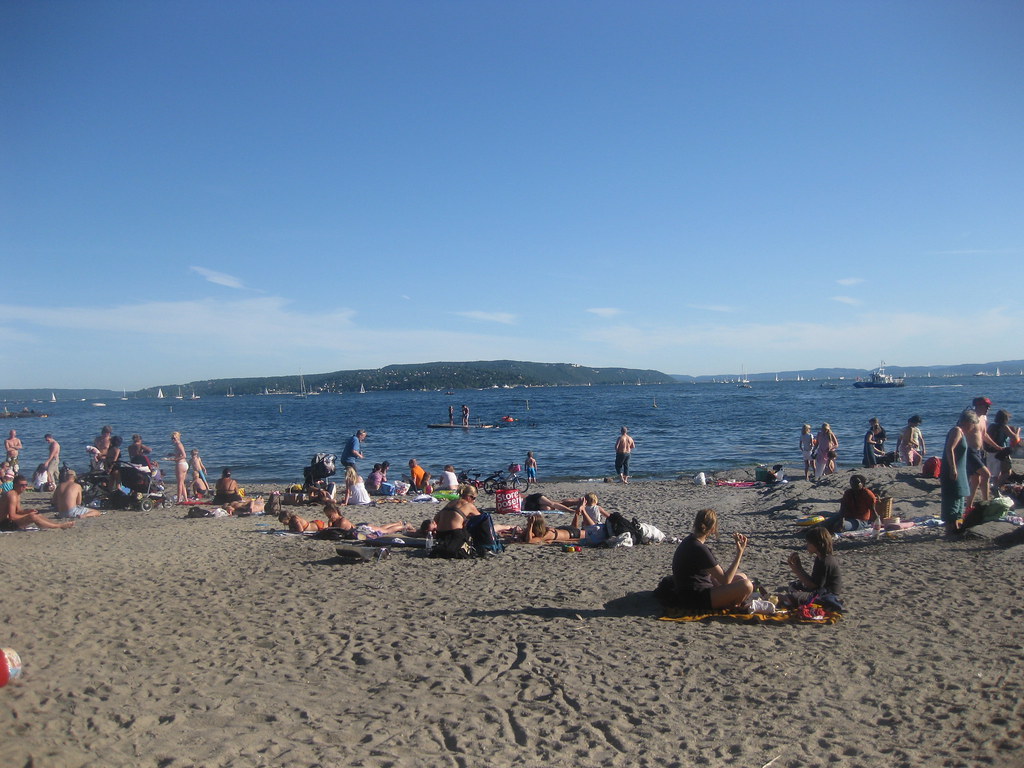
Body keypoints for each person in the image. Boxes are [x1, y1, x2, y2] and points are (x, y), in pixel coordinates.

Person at [670, 508, 753, 610]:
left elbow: (714, 576)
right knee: (747, 585)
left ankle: (731, 602)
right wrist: (739, 553)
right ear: (713, 528)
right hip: (697, 599)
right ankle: (733, 606)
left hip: (688, 593)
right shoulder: (700, 549)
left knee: (742, 577)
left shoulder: (689, 541)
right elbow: (725, 580)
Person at [784, 527, 842, 607]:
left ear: (817, 545)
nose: (807, 545)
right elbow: (813, 582)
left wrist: (797, 569)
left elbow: (813, 585)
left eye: (808, 543)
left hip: (828, 595)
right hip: (820, 590)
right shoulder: (820, 558)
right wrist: (798, 568)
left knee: (792, 596)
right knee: (794, 585)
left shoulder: (825, 561)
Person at [941, 409, 977, 535]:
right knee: (953, 496)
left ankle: (956, 524)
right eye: (973, 424)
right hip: (953, 469)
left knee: (960, 495)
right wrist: (953, 468)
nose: (973, 428)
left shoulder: (961, 432)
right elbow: (949, 448)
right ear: (968, 422)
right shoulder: (957, 431)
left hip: (960, 469)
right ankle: (950, 527)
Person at [0, 475, 74, 530]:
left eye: (25, 485)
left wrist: (28, 511)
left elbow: (18, 511)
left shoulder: (17, 494)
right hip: (4, 524)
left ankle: (56, 524)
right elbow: (12, 516)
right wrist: (29, 515)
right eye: (22, 485)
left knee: (36, 514)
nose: (24, 487)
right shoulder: (12, 495)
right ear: (15, 485)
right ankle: (59, 526)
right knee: (33, 516)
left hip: (8, 521)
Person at [966, 396, 1002, 508]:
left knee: (976, 480)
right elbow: (959, 432)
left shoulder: (984, 418)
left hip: (980, 451)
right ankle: (986, 502)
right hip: (969, 451)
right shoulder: (970, 417)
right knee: (987, 474)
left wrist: (997, 447)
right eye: (986, 406)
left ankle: (969, 506)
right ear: (978, 406)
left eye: (989, 406)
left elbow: (984, 434)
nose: (988, 408)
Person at [432, 484, 480, 558]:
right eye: (473, 498)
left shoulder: (451, 503)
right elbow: (481, 519)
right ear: (468, 496)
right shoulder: (469, 505)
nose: (474, 501)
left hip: (441, 535)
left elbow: (436, 519)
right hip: (455, 535)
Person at [988, 409, 1022, 487]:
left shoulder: (992, 425)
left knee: (995, 473)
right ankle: (996, 487)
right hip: (1002, 452)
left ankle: (995, 486)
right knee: (1007, 472)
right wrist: (1018, 431)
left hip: (991, 452)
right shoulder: (1003, 426)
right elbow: (1015, 438)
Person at [170, 432, 188, 503]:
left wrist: (174, 459)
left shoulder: (179, 444)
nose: (173, 440)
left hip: (181, 464)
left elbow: (184, 455)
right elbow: (179, 454)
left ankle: (179, 499)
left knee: (179, 483)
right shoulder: (177, 445)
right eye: (172, 438)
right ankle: (185, 499)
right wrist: (173, 454)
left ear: (178, 437)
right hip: (183, 464)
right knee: (182, 483)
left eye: (174, 438)